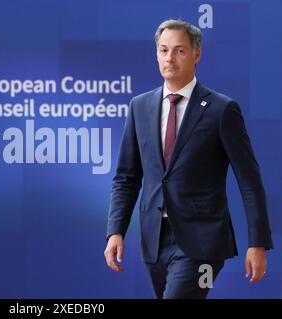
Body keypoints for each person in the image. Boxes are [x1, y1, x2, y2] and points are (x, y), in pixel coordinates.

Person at [104, 19, 273, 299]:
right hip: (154, 240)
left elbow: (249, 181)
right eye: (163, 50)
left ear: (197, 54)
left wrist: (257, 243)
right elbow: (126, 177)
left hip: (202, 242)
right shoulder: (139, 106)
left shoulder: (222, 109)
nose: (170, 58)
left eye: (180, 50)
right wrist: (115, 231)